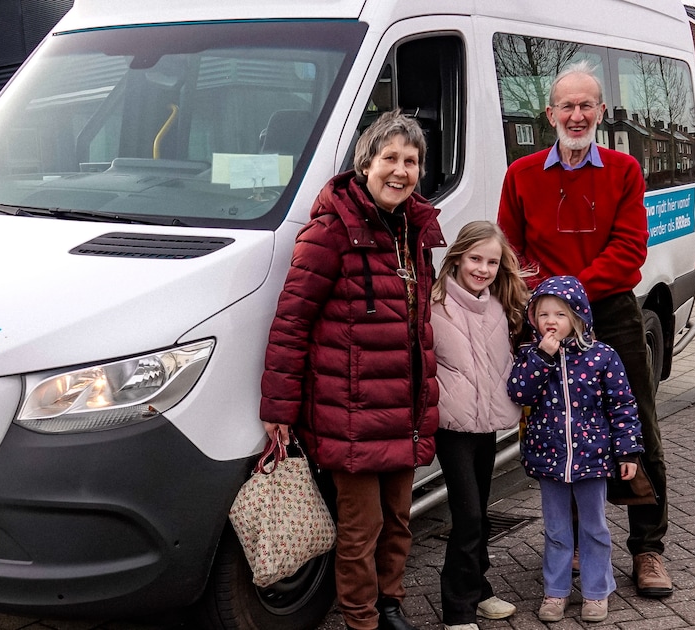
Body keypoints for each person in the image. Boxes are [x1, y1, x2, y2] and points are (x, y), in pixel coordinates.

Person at [260, 110, 446, 630]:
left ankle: (391, 607)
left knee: (399, 524)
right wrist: (278, 408)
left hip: (406, 410)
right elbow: (291, 323)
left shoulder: (416, 230)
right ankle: (362, 620)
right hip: (352, 414)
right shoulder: (329, 233)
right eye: (390, 158)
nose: (401, 171)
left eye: (411, 161)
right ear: (366, 163)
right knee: (359, 530)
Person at [496, 60, 673, 598]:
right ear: (550, 114)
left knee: (635, 422)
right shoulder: (521, 174)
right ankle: (571, 543)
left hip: (611, 312)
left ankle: (647, 549)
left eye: (586, 105)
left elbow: (629, 251)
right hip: (547, 317)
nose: (577, 115)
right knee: (556, 426)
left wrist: (572, 292)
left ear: (600, 111)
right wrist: (548, 305)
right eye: (567, 106)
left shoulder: (623, 169)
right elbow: (511, 250)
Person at [508, 275, 643, 623]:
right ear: (533, 318)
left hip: (593, 458)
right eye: (543, 314)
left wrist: (627, 452)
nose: (551, 321)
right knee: (555, 528)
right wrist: (542, 357)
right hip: (548, 457)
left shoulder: (602, 356)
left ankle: (597, 591)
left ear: (579, 317)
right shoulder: (530, 354)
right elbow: (519, 393)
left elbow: (623, 405)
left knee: (594, 527)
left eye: (560, 314)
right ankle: (556, 591)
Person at [429, 221, 527, 630]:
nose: (483, 269)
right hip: (450, 427)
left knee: (481, 513)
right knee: (467, 516)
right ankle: (458, 610)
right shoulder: (434, 304)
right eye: (475, 258)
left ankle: (478, 588)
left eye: (492, 261)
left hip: (486, 426)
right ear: (457, 257)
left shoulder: (500, 304)